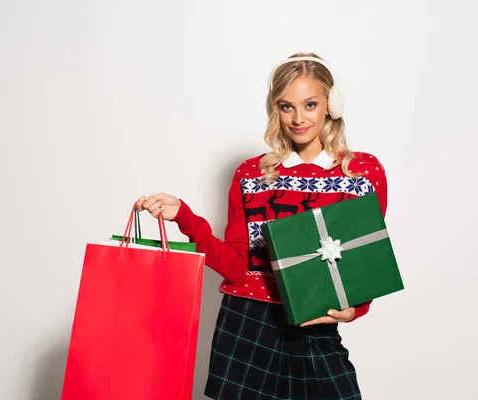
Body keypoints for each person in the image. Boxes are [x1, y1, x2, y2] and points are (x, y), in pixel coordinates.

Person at [135, 52, 387, 400]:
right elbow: (235, 266)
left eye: (310, 105)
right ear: (275, 110)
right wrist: (185, 218)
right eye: (286, 107)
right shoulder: (251, 174)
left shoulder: (361, 172)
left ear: (331, 105)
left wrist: (354, 309)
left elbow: (365, 258)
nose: (298, 118)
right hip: (248, 323)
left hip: (313, 321)